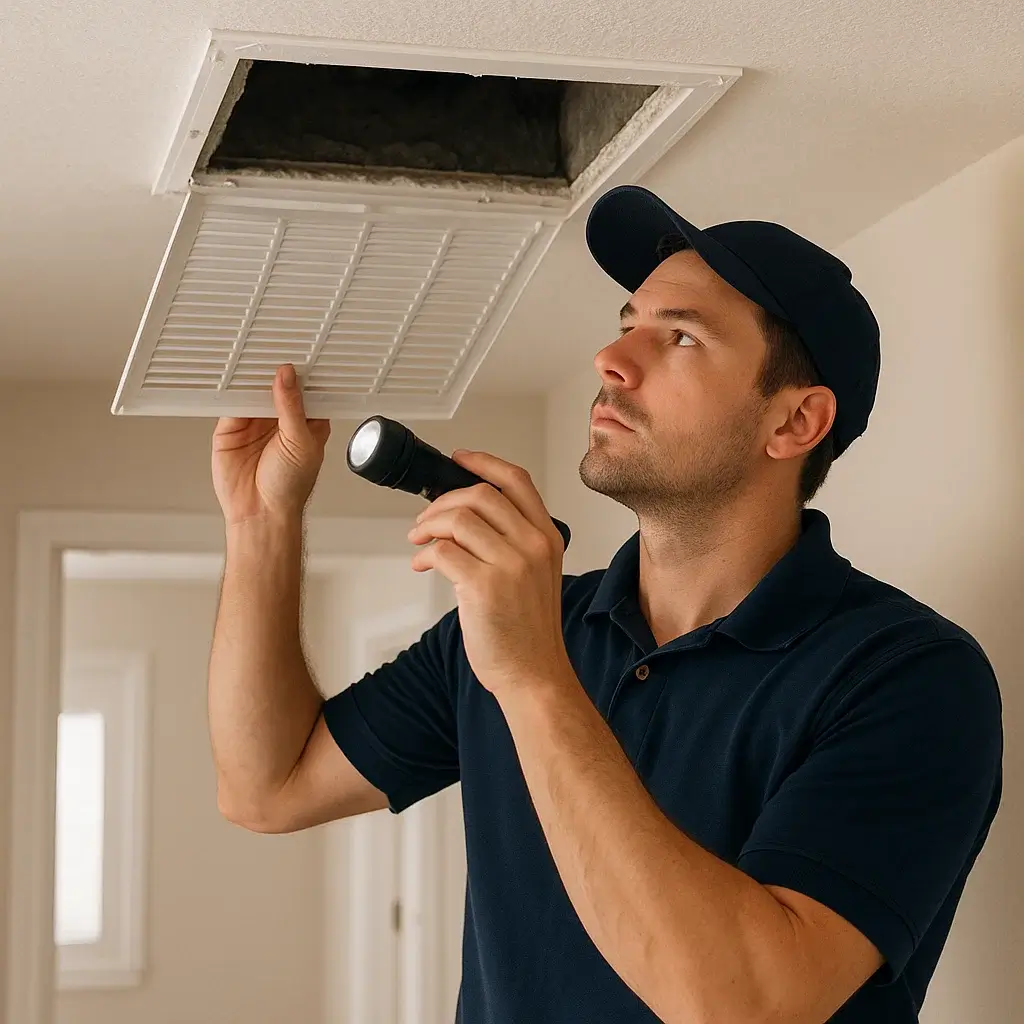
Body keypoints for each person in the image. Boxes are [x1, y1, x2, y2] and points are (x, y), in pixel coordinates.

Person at [207, 184, 1002, 1023]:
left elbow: (745, 1005)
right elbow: (269, 785)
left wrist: (533, 679)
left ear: (796, 422)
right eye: (628, 325)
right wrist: (261, 521)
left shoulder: (909, 677)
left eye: (680, 337)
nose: (612, 361)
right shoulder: (529, 625)